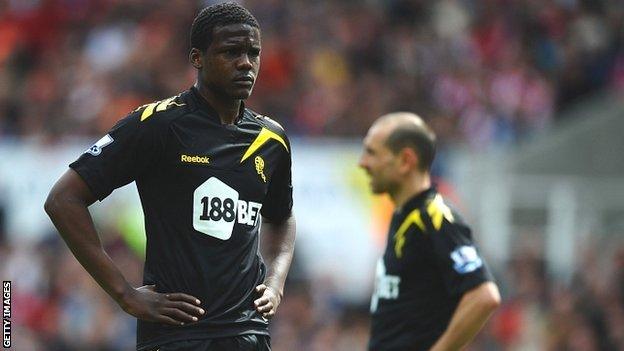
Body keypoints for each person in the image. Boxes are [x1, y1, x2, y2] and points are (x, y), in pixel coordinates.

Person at [44, 3, 295, 350]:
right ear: (197, 58)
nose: (246, 63)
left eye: (253, 53)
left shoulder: (272, 139)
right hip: (177, 335)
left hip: (248, 334)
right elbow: (63, 200)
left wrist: (277, 280)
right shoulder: (157, 125)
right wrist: (125, 294)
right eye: (231, 52)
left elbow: (281, 217)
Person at [359, 112, 500, 351]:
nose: (362, 163)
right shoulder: (403, 215)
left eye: (372, 153)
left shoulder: (435, 216)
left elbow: (484, 296)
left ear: (406, 160)